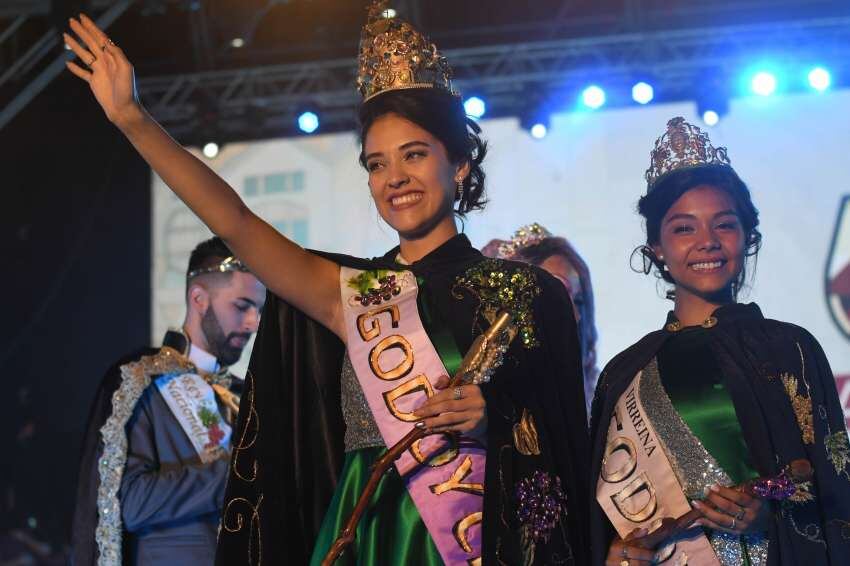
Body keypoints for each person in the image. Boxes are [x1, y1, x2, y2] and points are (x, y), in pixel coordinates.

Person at [63, 3, 591, 564]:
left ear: (459, 163)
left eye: (414, 154)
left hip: (477, 539)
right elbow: (237, 222)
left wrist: (493, 419)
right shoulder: (353, 291)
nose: (395, 179)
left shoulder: (528, 293)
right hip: (364, 536)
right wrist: (132, 119)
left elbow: (562, 445)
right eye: (376, 164)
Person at [589, 117, 850, 565]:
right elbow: (600, 520)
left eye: (724, 225)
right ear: (657, 249)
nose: (706, 242)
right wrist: (616, 553)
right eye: (684, 228)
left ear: (747, 237)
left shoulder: (791, 350)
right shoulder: (624, 371)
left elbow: (834, 488)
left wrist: (769, 515)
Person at [70, 237, 265, 566]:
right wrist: (233, 475)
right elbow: (128, 503)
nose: (253, 322)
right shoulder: (141, 382)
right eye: (242, 306)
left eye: (259, 310)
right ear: (199, 298)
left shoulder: (245, 394)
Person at [483, 223, 599, 414]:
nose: (576, 316)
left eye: (578, 302)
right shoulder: (481, 395)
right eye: (558, 294)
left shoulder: (597, 401)